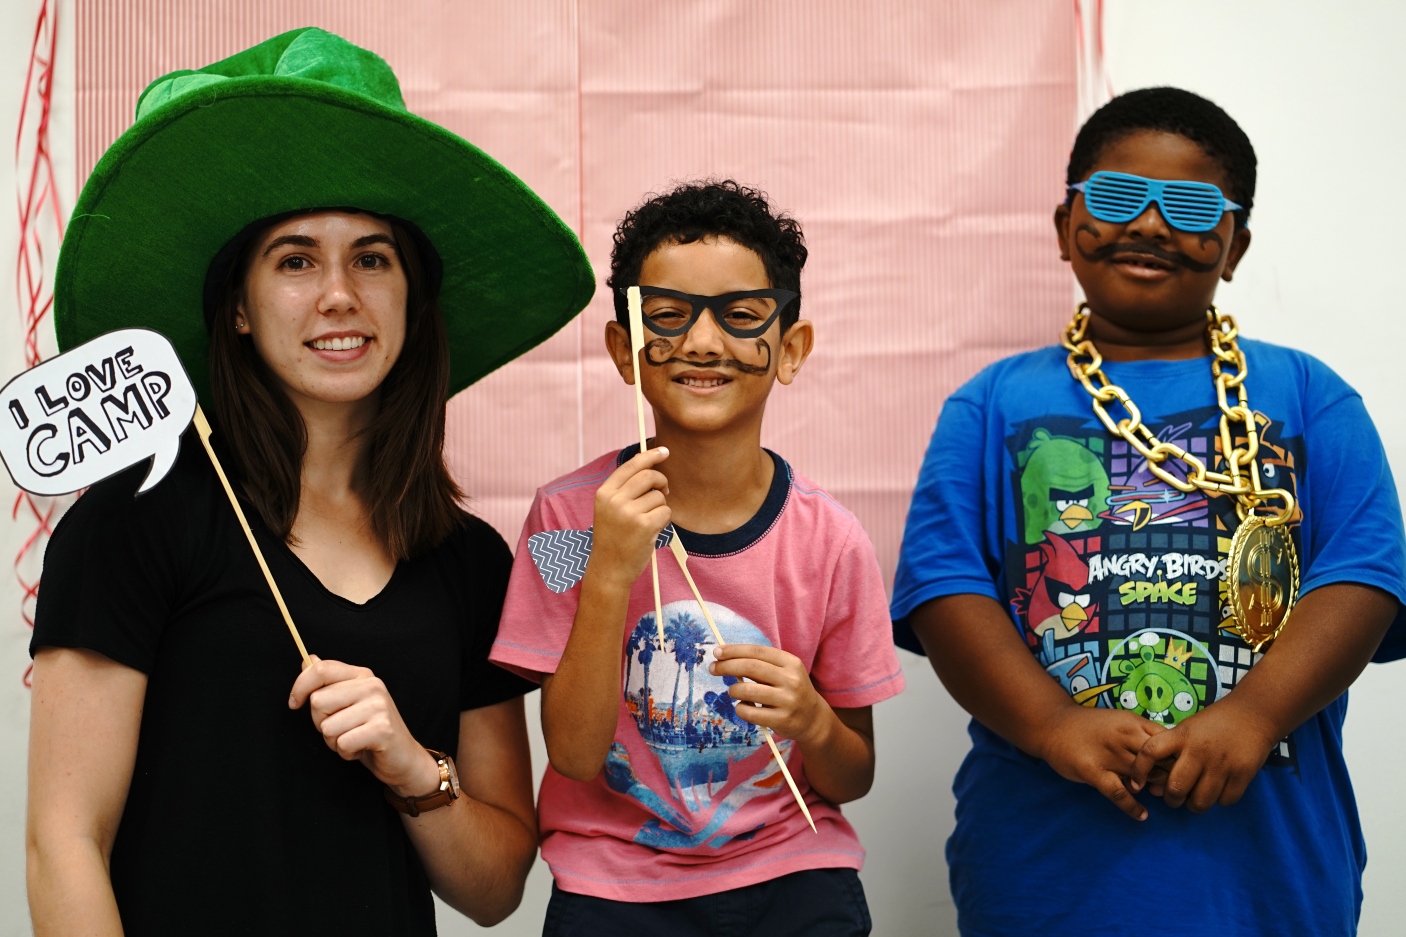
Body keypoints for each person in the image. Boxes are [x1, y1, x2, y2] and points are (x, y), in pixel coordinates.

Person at [25, 28, 593, 936]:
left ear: (411, 297)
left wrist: (414, 767)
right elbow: (64, 842)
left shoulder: (468, 560)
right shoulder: (135, 521)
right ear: (240, 309)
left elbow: (494, 890)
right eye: (295, 260)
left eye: (373, 257)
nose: (340, 294)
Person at [892, 86, 1406, 936]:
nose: (1151, 225)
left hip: (1266, 875)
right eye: (1117, 198)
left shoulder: (1309, 394)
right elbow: (946, 588)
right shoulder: (990, 405)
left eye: (1193, 206)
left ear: (1235, 246)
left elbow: (1364, 574)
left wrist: (1256, 711)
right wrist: (1052, 722)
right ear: (1065, 227)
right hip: (1044, 870)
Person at [490, 181, 903, 935]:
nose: (704, 343)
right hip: (610, 884)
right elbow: (575, 755)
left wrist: (812, 717)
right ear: (625, 350)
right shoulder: (561, 519)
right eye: (668, 316)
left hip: (792, 872)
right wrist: (610, 570)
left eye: (741, 315)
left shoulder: (833, 538)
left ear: (791, 347)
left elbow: (855, 774)